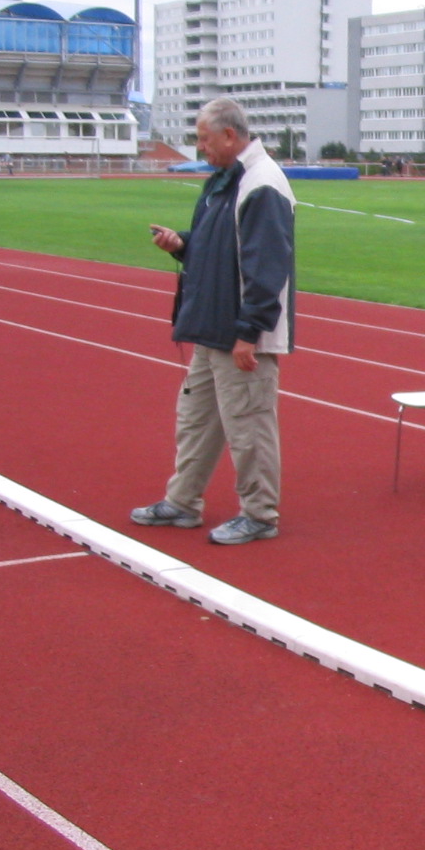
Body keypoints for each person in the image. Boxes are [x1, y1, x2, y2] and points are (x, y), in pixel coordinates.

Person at [130, 97, 296, 546]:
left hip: (238, 331)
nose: (200, 147)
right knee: (195, 419)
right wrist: (182, 245)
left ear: (229, 135)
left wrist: (249, 332)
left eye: (204, 139)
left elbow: (267, 267)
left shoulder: (262, 183)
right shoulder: (224, 180)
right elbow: (216, 247)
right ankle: (183, 501)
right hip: (211, 326)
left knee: (249, 426)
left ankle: (259, 514)